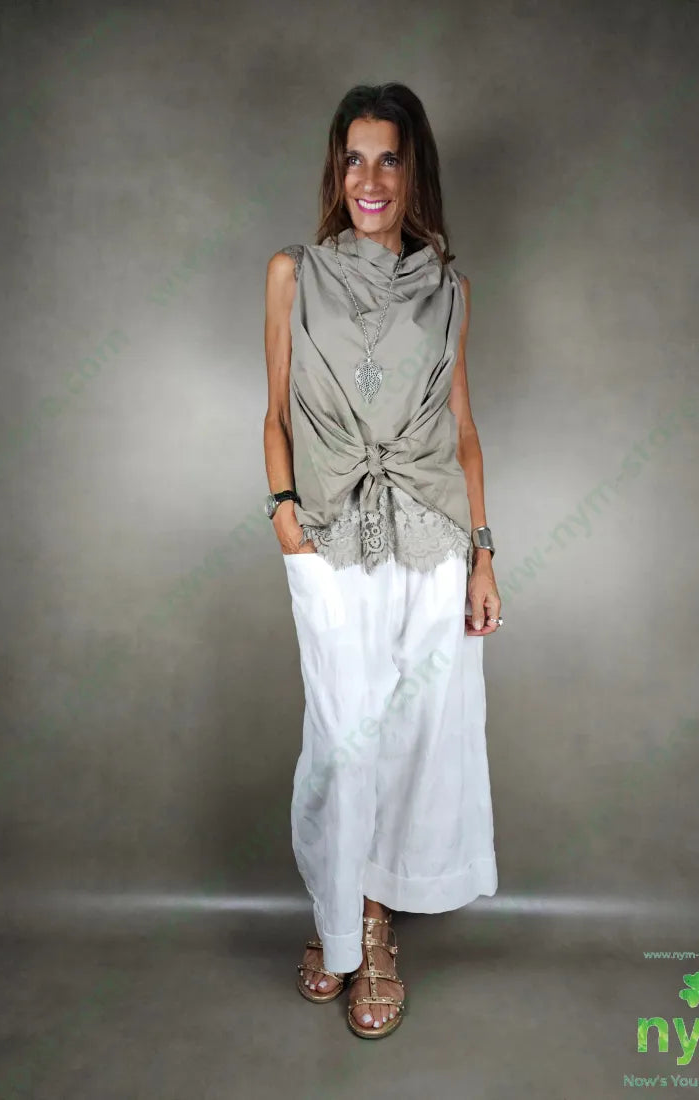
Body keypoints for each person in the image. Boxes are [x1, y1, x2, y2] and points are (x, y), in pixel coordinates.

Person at [262, 82, 502, 1040]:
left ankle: (369, 928)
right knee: (343, 736)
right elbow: (274, 411)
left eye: (388, 158)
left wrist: (482, 557)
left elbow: (463, 430)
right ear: (336, 171)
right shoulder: (292, 273)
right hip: (329, 533)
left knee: (414, 737)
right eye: (353, 158)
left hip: (432, 538)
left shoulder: (450, 290)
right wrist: (283, 513)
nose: (369, 179)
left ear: (413, 171)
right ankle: (335, 914)